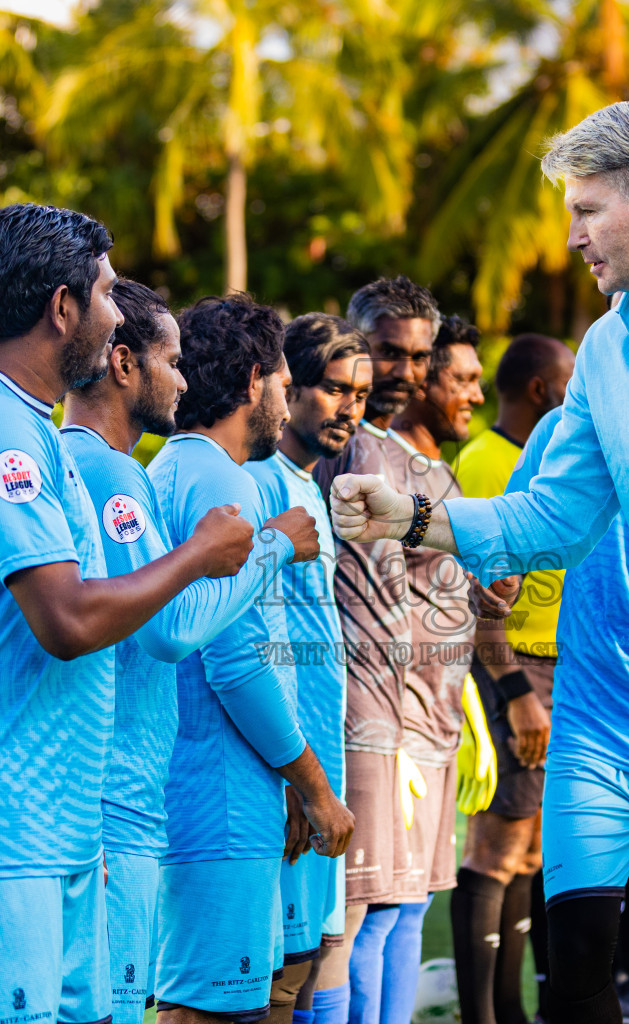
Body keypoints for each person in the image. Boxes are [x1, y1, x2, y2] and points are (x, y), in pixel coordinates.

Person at [329, 98, 629, 1024]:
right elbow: (553, 516)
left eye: (587, 211)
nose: (572, 237)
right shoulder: (604, 353)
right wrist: (410, 515)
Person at [0, 204, 255, 1024]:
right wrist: (204, 555)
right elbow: (68, 623)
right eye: (108, 293)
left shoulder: (40, 433)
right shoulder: (12, 434)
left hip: (70, 826)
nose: (119, 311)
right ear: (62, 307)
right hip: (22, 833)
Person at [60, 279, 315, 1024]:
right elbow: (177, 633)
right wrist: (270, 548)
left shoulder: (125, 467)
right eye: (172, 363)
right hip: (124, 806)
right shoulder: (115, 472)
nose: (184, 380)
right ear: (123, 364)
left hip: (133, 800)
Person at [148, 294, 354, 1024]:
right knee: (208, 1010)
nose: (286, 400)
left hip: (211, 789)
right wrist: (314, 786)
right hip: (222, 800)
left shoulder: (176, 467)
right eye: (282, 382)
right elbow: (235, 663)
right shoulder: (225, 482)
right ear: (251, 382)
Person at [474, 404, 629, 1024]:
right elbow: (515, 532)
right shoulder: (568, 424)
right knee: (576, 960)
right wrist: (496, 578)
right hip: (590, 729)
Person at [313, 275, 439, 1024]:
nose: (404, 371)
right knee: (350, 914)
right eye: (390, 352)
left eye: (418, 357)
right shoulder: (343, 445)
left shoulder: (400, 453)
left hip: (402, 713)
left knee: (391, 906)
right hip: (348, 707)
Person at [246, 313, 372, 1024]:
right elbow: (253, 649)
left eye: (360, 393)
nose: (349, 407)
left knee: (310, 962)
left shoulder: (307, 486)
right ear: (288, 386)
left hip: (319, 766)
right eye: (333, 388)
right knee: (273, 983)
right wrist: (296, 780)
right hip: (288, 778)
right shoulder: (259, 482)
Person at [451, 331, 575, 1024]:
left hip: (556, 667)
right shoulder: (485, 461)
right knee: (496, 849)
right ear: (539, 389)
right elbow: (475, 589)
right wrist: (515, 690)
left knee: (529, 851)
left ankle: (512, 1009)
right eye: (569, 380)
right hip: (512, 668)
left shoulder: (557, 457)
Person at [379, 315, 484, 1018]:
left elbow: (436, 593)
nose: (473, 395)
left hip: (437, 725)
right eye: (460, 380)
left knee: (413, 903)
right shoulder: (379, 465)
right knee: (379, 911)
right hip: (394, 728)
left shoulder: (438, 471)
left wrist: (480, 591)